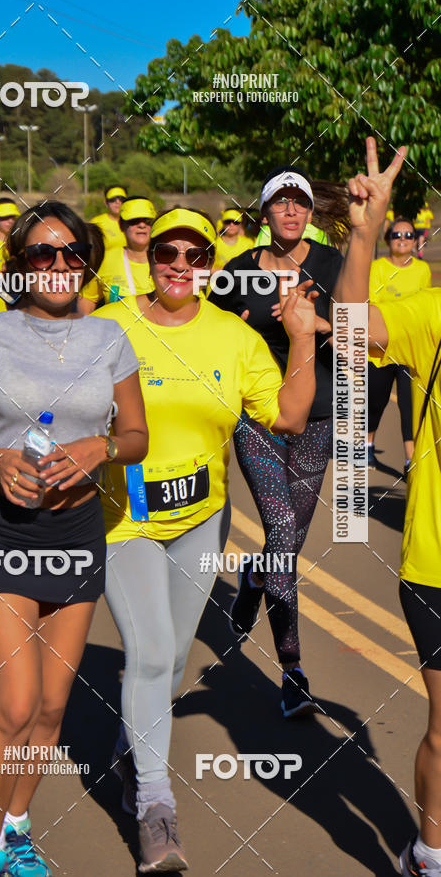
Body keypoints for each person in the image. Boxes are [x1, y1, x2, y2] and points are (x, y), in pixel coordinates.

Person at [94, 206, 319, 871]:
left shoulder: (233, 338)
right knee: (153, 646)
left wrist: (302, 338)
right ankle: (155, 808)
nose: (181, 268)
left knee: (170, 663)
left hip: (201, 519)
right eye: (170, 253)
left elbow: (287, 415)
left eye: (196, 257)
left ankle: (136, 740)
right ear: (152, 254)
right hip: (122, 521)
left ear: (211, 267)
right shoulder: (109, 326)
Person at [0, 200, 148, 877]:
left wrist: (102, 446)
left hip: (75, 533)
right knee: (17, 702)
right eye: (42, 252)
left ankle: (18, 827)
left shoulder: (110, 339)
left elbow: (136, 437)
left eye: (71, 253)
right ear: (21, 265)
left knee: (54, 708)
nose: (58, 264)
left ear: (87, 264)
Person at [209, 142, 405, 717]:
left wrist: (315, 323)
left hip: (321, 415)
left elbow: (354, 329)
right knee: (284, 533)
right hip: (260, 418)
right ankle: (293, 668)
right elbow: (209, 336)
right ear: (263, 213)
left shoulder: (332, 263)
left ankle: (252, 574)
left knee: (282, 543)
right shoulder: (236, 273)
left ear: (311, 213)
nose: (290, 212)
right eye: (279, 203)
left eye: (299, 203)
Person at [365, 202, 441, 877]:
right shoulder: (432, 315)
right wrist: (364, 231)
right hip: (437, 563)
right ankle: (430, 854)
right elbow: (350, 323)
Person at [368, 216, 432, 476]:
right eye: (397, 235)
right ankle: (367, 445)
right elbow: (371, 306)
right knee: (375, 401)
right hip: (381, 347)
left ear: (416, 241)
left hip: (411, 348)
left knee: (410, 404)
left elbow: (424, 308)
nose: (403, 240)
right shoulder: (377, 268)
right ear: (388, 240)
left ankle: (409, 461)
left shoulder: (422, 270)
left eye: (408, 235)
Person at [78, 196, 156, 312]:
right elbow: (87, 298)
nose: (142, 225)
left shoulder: (170, 259)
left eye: (147, 221)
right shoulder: (104, 260)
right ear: (121, 225)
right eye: (134, 220)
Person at [90, 185, 128, 251]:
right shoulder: (96, 223)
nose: (117, 202)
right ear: (106, 203)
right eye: (113, 199)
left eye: (121, 199)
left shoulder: (134, 222)